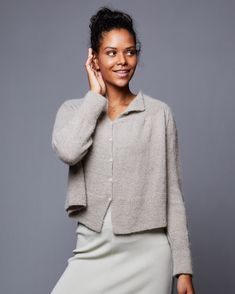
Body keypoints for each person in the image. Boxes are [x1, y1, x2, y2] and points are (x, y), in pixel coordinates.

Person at [50, 6, 195, 294]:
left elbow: (173, 197)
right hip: (93, 248)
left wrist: (183, 269)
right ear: (94, 58)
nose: (122, 61)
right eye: (111, 52)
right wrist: (95, 97)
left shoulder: (158, 114)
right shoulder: (74, 111)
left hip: (149, 255)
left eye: (129, 52)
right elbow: (68, 151)